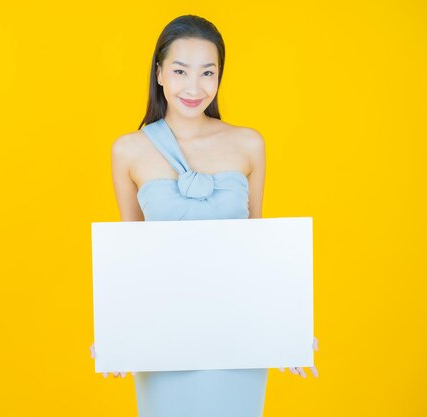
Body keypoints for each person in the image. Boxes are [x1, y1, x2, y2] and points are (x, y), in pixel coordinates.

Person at [89, 14, 319, 417]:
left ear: (219, 77)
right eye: (180, 71)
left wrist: (287, 327)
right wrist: (117, 328)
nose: (194, 87)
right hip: (164, 333)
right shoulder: (128, 150)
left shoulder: (248, 143)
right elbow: (130, 252)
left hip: (239, 330)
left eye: (207, 73)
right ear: (159, 73)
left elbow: (257, 242)